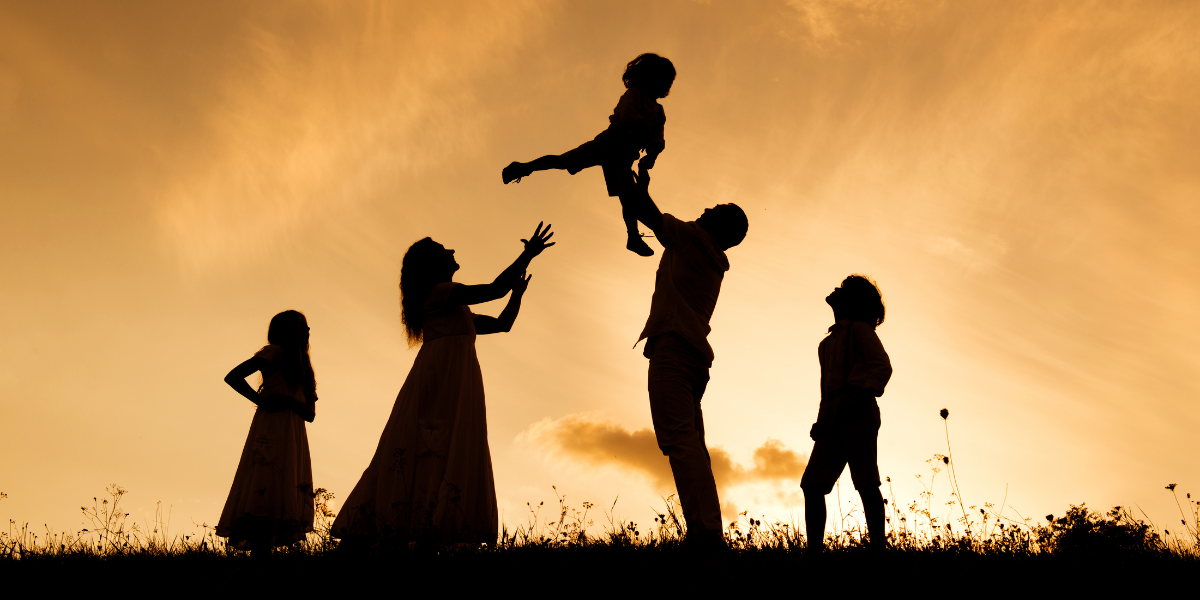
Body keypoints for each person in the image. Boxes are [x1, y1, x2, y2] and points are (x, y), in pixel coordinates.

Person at [332, 223, 555, 545]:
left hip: (454, 377)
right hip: (441, 380)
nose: (452, 252)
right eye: (444, 251)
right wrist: (527, 255)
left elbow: (503, 324)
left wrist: (517, 295)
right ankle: (403, 526)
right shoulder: (439, 294)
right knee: (431, 444)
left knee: (439, 447)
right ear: (433, 266)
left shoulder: (455, 308)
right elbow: (494, 289)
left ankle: (425, 526)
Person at [625, 166, 748, 547]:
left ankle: (707, 534)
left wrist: (629, 182)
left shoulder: (693, 239)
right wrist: (638, 191)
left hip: (675, 351)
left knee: (679, 441)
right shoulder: (709, 256)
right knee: (690, 442)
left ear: (720, 227)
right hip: (692, 357)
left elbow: (647, 213)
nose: (708, 207)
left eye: (718, 208)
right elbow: (644, 210)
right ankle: (705, 529)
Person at [502, 53, 676, 257]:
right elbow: (626, 116)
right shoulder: (634, 94)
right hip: (609, 144)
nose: (665, 85)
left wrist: (651, 157)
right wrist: (639, 130)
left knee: (627, 195)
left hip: (625, 156)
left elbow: (657, 139)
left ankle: (633, 236)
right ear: (651, 77)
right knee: (564, 161)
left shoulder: (658, 111)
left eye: (668, 82)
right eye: (663, 79)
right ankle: (524, 167)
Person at [800, 275, 893, 554]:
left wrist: (860, 396)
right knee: (812, 485)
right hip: (832, 419)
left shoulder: (860, 330)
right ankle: (814, 552)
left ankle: (878, 549)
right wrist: (822, 419)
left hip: (858, 412)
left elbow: (881, 367)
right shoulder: (826, 343)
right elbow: (826, 390)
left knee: (865, 480)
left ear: (853, 301)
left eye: (843, 289)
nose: (835, 289)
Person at [217, 310, 318, 552]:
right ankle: (259, 561)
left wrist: (287, 401)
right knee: (265, 484)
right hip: (271, 429)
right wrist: (261, 400)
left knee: (282, 488)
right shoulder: (275, 352)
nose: (308, 330)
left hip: (292, 436)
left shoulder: (303, 365)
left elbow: (310, 414)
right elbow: (233, 376)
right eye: (302, 326)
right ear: (289, 331)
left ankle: (263, 561)